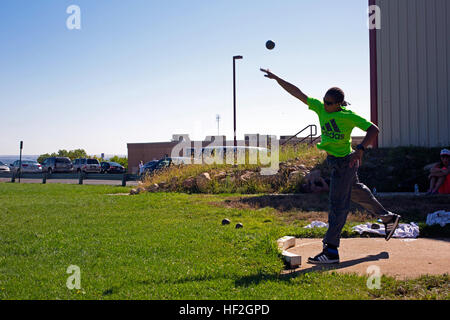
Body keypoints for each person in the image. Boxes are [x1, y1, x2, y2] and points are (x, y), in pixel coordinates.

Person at [261, 68, 401, 264]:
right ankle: (387, 218)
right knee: (356, 191)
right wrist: (277, 79)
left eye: (329, 103)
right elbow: (298, 93)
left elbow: (373, 129)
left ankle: (331, 251)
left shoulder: (348, 116)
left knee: (337, 205)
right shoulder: (320, 108)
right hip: (336, 162)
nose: (324, 104)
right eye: (324, 101)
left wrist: (361, 149)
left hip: (345, 162)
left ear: (338, 104)